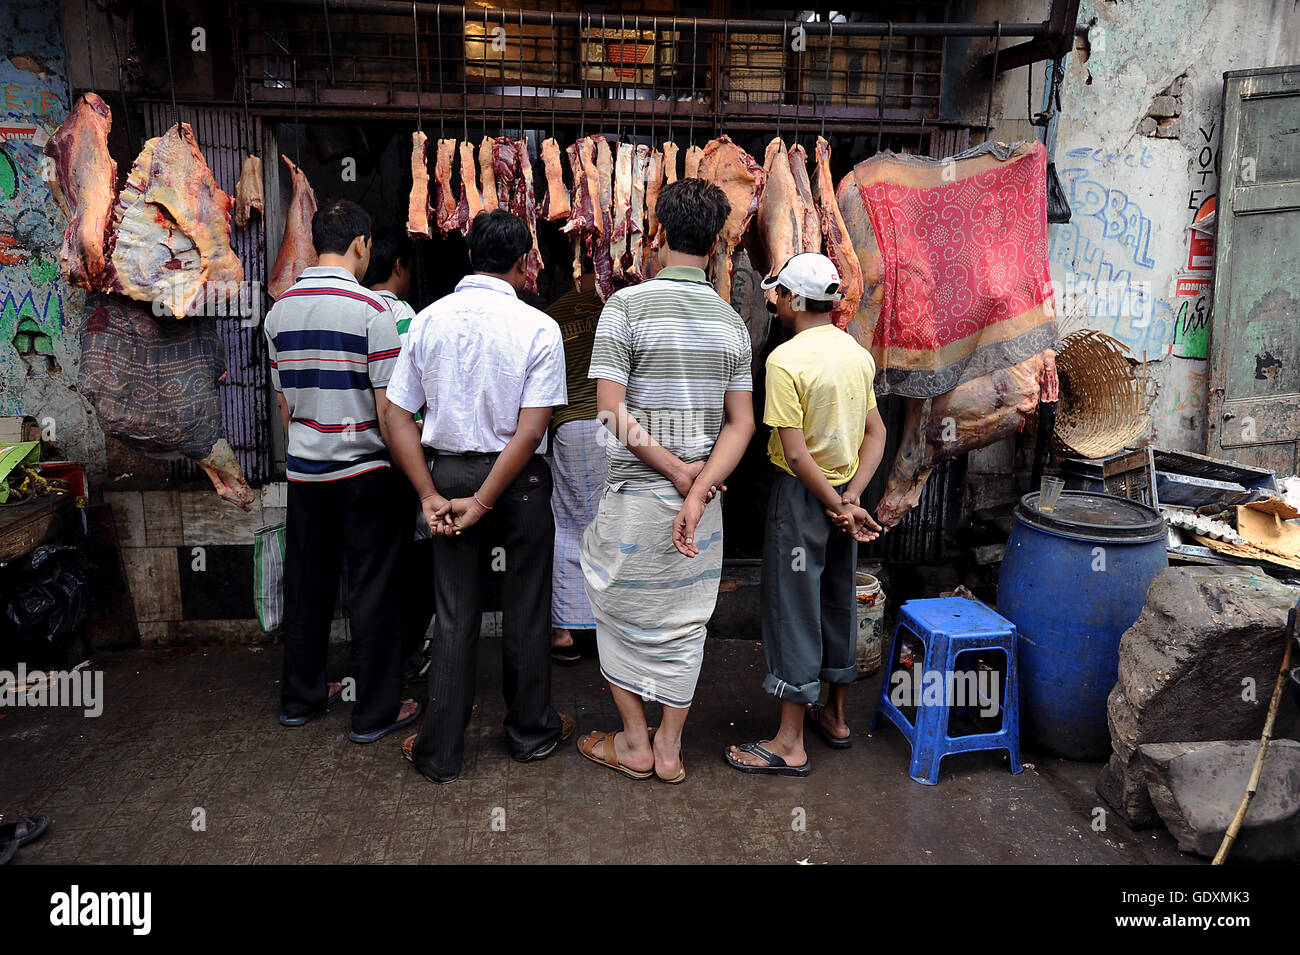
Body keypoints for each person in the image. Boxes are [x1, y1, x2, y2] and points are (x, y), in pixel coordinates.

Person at [383, 208, 574, 784]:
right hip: (516, 487)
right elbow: (531, 432)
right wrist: (487, 500)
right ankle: (531, 733)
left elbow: (395, 413)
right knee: (526, 610)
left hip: (448, 481)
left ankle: (440, 751)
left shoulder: (427, 320)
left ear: (471, 257)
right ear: (521, 263)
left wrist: (427, 493)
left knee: (455, 612)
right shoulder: (538, 326)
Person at [577, 178, 755, 785]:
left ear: (656, 233)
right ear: (716, 244)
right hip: (701, 507)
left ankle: (633, 740)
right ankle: (670, 749)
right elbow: (742, 424)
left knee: (614, 606)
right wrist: (699, 485)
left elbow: (609, 412)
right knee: (686, 619)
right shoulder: (730, 322)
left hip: (636, 495)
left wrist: (679, 472)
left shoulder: (626, 308)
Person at [263, 199, 421, 742]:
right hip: (365, 474)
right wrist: (417, 479)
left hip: (306, 474)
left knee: (309, 585)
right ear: (362, 245)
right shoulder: (373, 315)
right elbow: (388, 412)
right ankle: (374, 711)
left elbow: (285, 409)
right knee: (372, 590)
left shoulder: (278, 312)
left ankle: (301, 698)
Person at [726, 252, 887, 777]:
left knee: (794, 606)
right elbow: (877, 435)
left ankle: (789, 742)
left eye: (777, 294)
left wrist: (831, 504)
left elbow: (795, 454)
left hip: (802, 498)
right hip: (845, 497)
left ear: (795, 301)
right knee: (836, 599)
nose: (772, 300)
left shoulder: (785, 360)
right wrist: (851, 500)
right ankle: (836, 718)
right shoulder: (857, 355)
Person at [365, 228, 435, 680]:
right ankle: (406, 655)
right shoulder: (401, 315)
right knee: (416, 564)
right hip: (400, 459)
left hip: (352, 461)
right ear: (398, 268)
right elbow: (413, 397)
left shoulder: (354, 310)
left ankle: (375, 663)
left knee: (375, 569)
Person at [544, 273, 603, 664]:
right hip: (615, 427)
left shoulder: (552, 316)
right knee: (607, 525)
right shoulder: (612, 307)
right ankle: (605, 625)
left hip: (568, 427)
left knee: (567, 523)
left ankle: (564, 629)